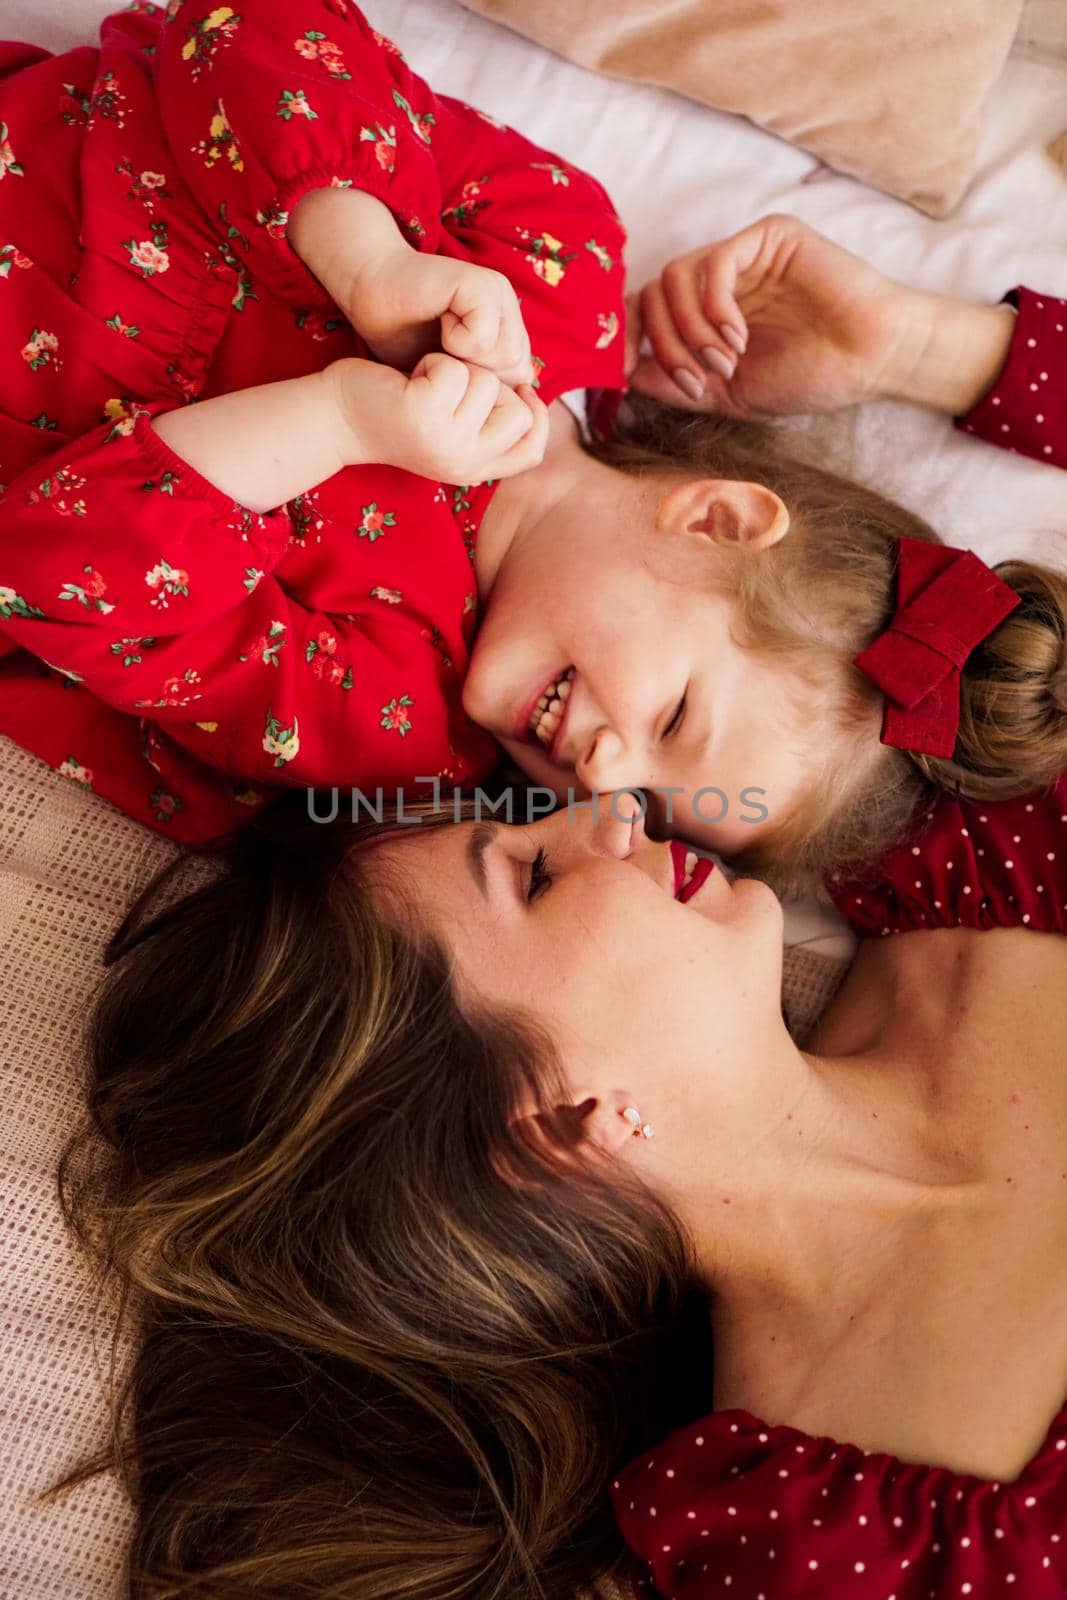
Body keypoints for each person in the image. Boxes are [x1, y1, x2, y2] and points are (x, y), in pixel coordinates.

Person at [1, 5, 1065, 889]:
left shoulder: (393, 719)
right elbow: (243, 31)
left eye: (647, 811)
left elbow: (54, 568)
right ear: (715, 517)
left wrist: (339, 422)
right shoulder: (555, 273)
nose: (605, 777)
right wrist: (366, 261)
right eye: (671, 716)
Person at [61, 765, 1067, 1597]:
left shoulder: (981, 830)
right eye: (536, 875)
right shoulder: (823, 1540)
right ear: (554, 1124)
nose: (615, 808)